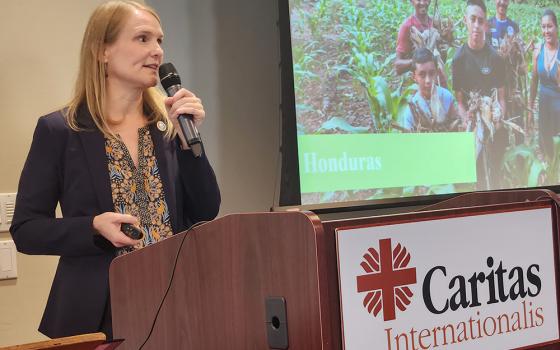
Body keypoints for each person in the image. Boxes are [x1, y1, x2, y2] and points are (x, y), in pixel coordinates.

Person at [9, 0, 220, 340]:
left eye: (159, 40)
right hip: (98, 313)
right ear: (102, 51)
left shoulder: (168, 129)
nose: (157, 51)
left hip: (174, 305)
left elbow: (205, 211)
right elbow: (26, 229)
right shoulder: (60, 131)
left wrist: (188, 143)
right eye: (142, 39)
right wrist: (92, 227)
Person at [452, 0, 507, 190]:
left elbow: (501, 98)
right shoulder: (458, 59)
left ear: (486, 24)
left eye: (480, 20)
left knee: (494, 176)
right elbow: (459, 102)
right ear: (465, 20)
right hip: (472, 128)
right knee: (475, 179)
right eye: (472, 19)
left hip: (492, 126)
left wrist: (498, 117)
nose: (476, 25)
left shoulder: (495, 58)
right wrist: (466, 118)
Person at [529, 9, 560, 163]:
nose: (546, 30)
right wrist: (529, 108)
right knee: (545, 146)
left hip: (558, 110)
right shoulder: (538, 51)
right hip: (543, 108)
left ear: (557, 27)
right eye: (543, 26)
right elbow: (534, 80)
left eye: (550, 26)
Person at [402, 48, 458, 131]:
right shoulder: (411, 111)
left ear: (437, 73)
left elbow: (456, 127)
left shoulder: (447, 97)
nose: (428, 80)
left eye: (431, 73)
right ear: (414, 77)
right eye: (422, 75)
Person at [394, 0, 447, 87]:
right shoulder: (407, 27)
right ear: (412, 1)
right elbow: (398, 67)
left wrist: (443, 52)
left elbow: (441, 59)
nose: (422, 3)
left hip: (439, 82)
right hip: (420, 87)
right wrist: (418, 61)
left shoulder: (435, 24)